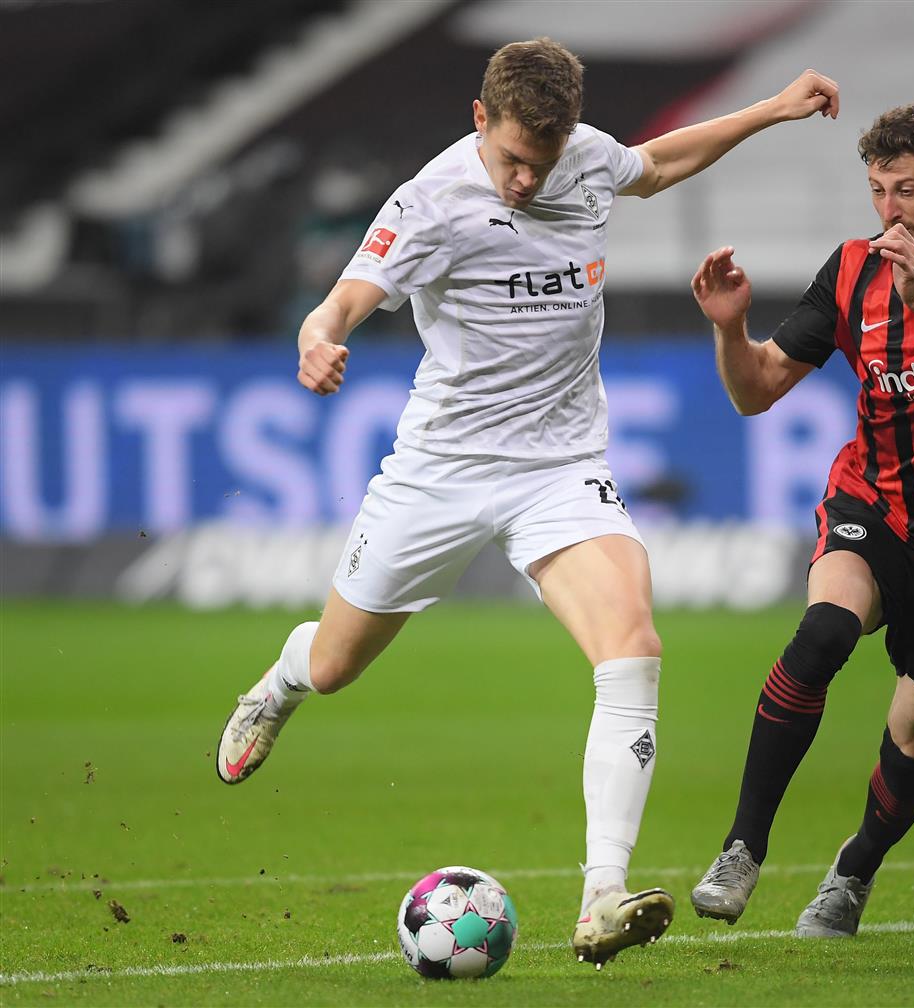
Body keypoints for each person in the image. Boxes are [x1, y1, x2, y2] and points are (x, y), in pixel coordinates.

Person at [213, 37, 840, 968]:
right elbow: (342, 300)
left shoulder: (584, 158)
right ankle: (280, 683)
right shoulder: (430, 201)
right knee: (337, 664)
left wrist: (772, 109)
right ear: (480, 119)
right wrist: (318, 337)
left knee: (633, 647)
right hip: (442, 469)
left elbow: (659, 162)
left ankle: (602, 896)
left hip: (559, 467)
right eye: (511, 159)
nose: (524, 180)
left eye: (540, 164)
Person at [687, 103, 914, 937]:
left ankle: (854, 868)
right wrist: (732, 331)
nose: (890, 209)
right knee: (824, 630)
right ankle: (742, 849)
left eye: (908, 190)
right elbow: (756, 390)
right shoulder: (853, 269)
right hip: (878, 503)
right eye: (877, 190)